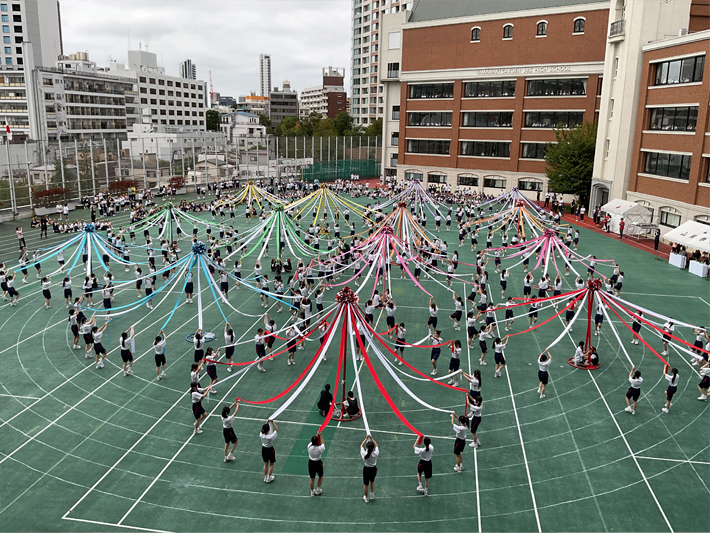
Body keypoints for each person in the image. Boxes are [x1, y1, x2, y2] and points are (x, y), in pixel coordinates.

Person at [360, 435, 379, 503]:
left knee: (366, 484)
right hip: (373, 469)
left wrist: (366, 439)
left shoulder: (364, 454)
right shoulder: (375, 453)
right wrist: (371, 438)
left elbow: (361, 446)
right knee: (372, 481)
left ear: (367, 447)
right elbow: (377, 446)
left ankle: (366, 497)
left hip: (366, 470)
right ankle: (372, 494)